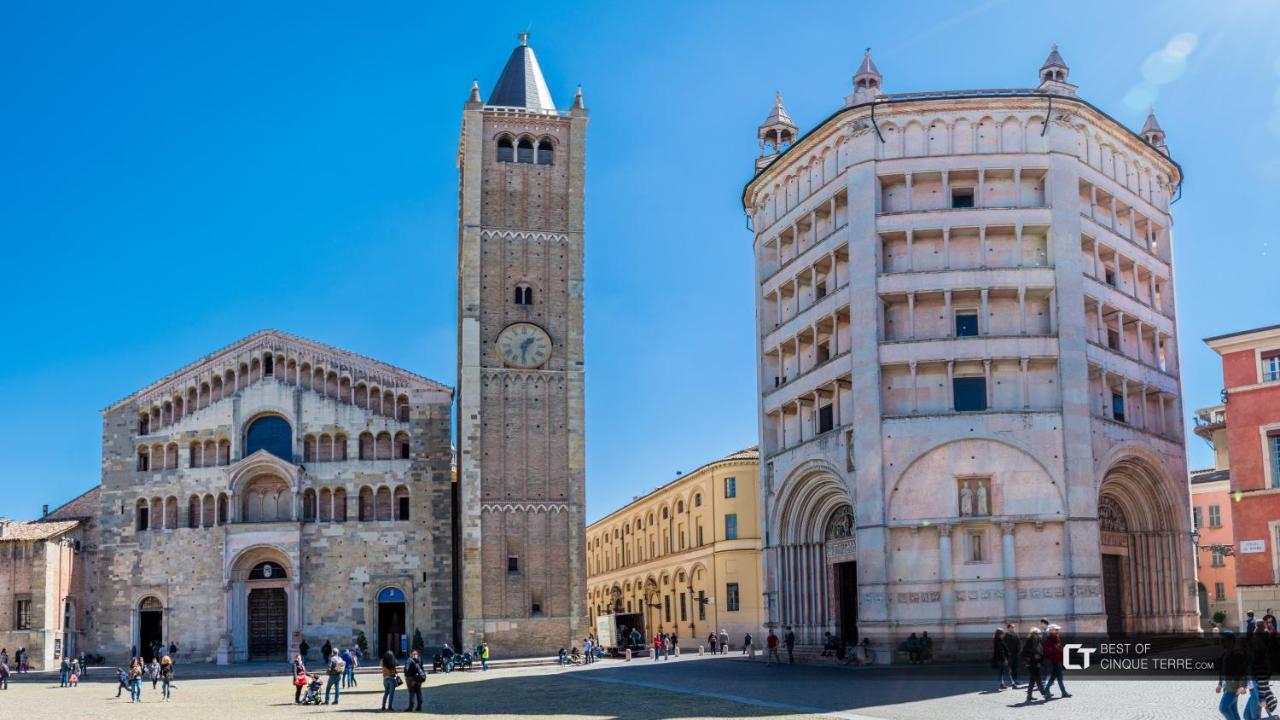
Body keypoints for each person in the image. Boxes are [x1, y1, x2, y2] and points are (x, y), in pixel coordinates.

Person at [1220, 631, 1249, 720]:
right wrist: (1220, 683)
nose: (1221, 642)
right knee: (1233, 709)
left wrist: (1243, 686)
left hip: (1234, 686)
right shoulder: (1226, 652)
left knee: (1223, 708)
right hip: (1227, 686)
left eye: (1223, 640)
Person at [1021, 627, 1051, 703]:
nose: (1038, 635)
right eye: (1037, 634)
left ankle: (1029, 696)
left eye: (1039, 634)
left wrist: (1040, 659)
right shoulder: (1029, 642)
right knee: (1038, 679)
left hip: (1037, 663)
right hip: (1031, 664)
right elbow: (1023, 653)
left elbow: (1042, 652)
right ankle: (1044, 694)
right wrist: (1032, 657)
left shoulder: (1039, 641)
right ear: (1032, 634)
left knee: (1032, 680)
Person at [1043, 624, 1070, 697]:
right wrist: (1055, 648)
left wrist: (1061, 649)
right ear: (1051, 630)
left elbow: (1058, 647)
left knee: (1053, 677)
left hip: (1058, 660)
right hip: (1053, 661)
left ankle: (1046, 689)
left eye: (1057, 629)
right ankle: (1063, 692)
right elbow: (1047, 652)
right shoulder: (1048, 640)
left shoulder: (1057, 638)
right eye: (1056, 629)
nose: (1058, 631)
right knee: (1059, 676)